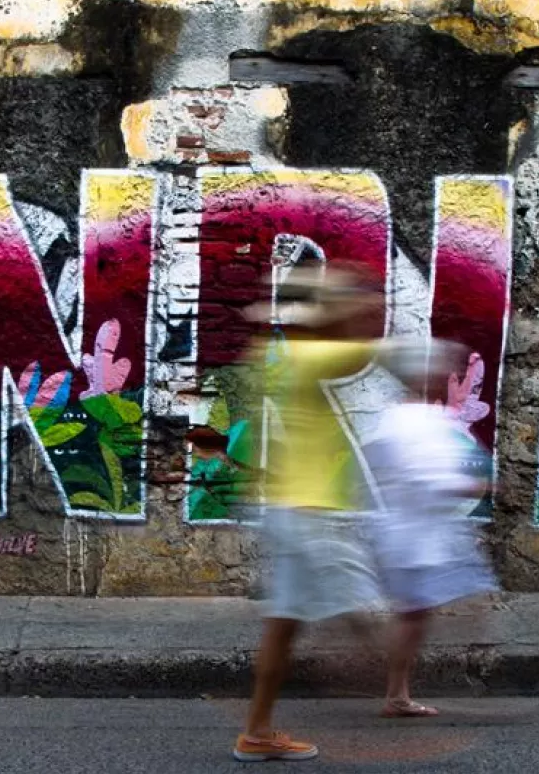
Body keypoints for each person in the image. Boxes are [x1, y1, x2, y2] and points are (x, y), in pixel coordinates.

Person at [220, 263, 387, 763]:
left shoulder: (274, 355)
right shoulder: (313, 358)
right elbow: (381, 349)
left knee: (284, 623)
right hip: (312, 516)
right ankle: (416, 685)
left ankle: (256, 732)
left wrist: (320, 302)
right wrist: (353, 302)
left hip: (285, 508)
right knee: (366, 615)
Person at [362, 338, 500, 718]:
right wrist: (473, 486)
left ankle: (397, 691)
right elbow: (430, 480)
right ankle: (392, 690)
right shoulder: (422, 422)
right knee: (415, 615)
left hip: (407, 534)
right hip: (414, 539)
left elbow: (379, 466)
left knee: (414, 614)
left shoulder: (398, 418)